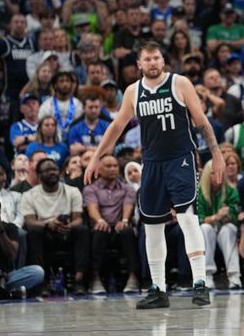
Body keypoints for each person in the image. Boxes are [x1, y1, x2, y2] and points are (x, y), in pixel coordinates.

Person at [84, 41, 225, 309]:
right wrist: (95, 157)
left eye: (156, 58)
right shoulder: (132, 92)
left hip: (180, 159)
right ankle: (158, 288)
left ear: (163, 61)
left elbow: (202, 122)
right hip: (151, 164)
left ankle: (199, 283)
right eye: (147, 59)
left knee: (187, 218)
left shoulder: (179, 83)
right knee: (152, 225)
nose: (152, 63)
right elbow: (116, 128)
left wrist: (216, 154)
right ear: (139, 64)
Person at [21, 158, 90, 295]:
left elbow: (78, 219)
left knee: (82, 230)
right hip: (45, 233)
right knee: (34, 232)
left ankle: (79, 281)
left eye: (54, 169)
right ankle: (42, 283)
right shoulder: (29, 195)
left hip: (67, 232)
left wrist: (68, 225)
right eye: (47, 170)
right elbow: (29, 221)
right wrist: (48, 224)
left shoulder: (73, 191)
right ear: (39, 175)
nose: (52, 172)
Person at [83, 155, 139, 294]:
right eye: (108, 166)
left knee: (128, 231)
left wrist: (125, 220)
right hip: (101, 226)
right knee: (99, 231)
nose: (113, 169)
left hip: (119, 225)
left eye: (115, 166)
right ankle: (95, 278)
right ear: (99, 170)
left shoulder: (127, 188)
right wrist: (99, 220)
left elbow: (128, 206)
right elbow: (92, 208)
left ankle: (133, 277)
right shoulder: (91, 189)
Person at [0, 195, 44, 299]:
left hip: (6, 278)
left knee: (37, 272)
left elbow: (12, 255)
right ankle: (5, 293)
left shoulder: (10, 228)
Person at [197, 159, 241, 290]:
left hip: (223, 228)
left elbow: (235, 217)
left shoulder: (231, 191)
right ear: (206, 175)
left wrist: (227, 216)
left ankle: (234, 275)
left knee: (229, 229)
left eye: (220, 172)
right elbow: (200, 219)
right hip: (209, 229)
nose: (217, 176)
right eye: (213, 173)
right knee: (205, 228)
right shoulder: (199, 193)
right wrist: (217, 216)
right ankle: (207, 275)